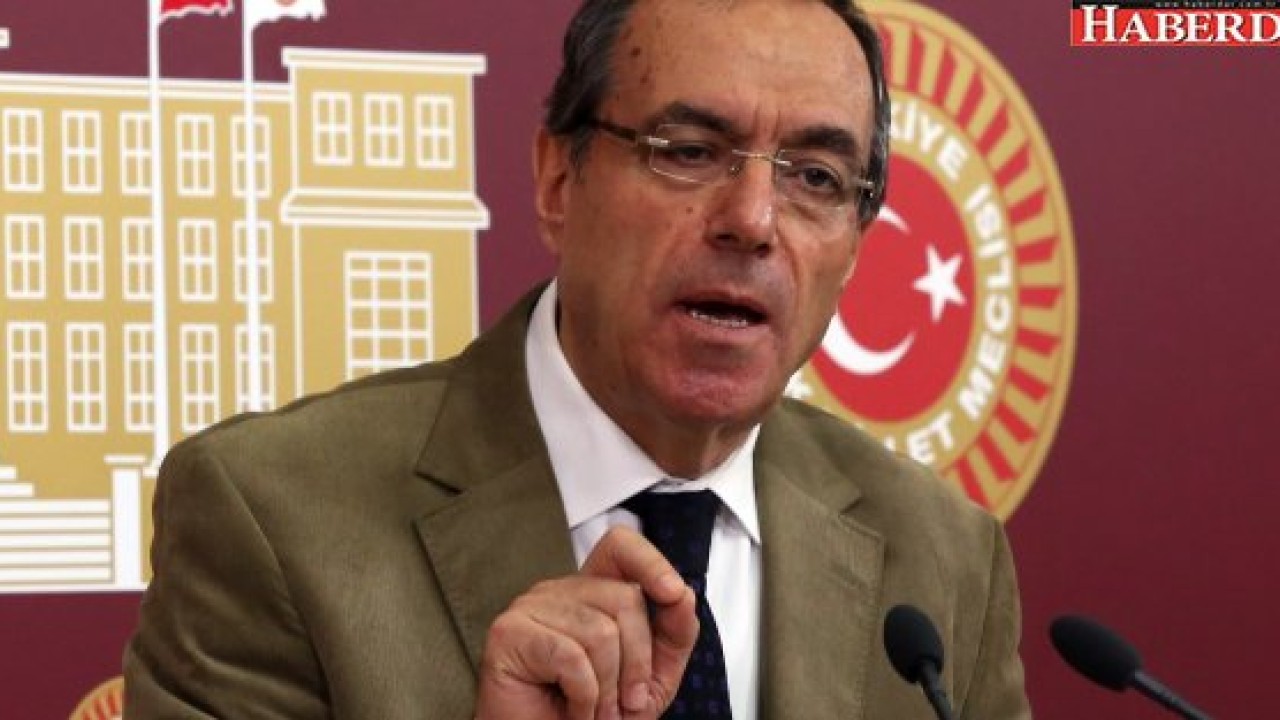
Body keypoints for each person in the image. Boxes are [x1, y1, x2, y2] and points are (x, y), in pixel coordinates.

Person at [124, 0, 1032, 718]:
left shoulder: (946, 559)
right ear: (559, 180)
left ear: (857, 244)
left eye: (816, 178)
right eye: (690, 151)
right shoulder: (271, 517)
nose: (753, 220)